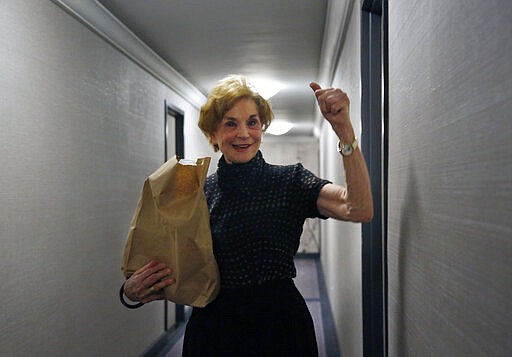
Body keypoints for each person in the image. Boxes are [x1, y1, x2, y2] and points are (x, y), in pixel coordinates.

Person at [120, 75, 373, 356]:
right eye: (231, 123)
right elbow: (172, 263)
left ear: (261, 128)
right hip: (214, 332)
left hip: (281, 327)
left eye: (252, 122)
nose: (244, 133)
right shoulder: (195, 194)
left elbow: (358, 208)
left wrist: (345, 132)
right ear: (213, 133)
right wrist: (131, 291)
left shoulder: (290, 181)